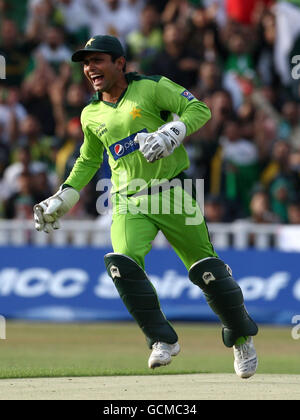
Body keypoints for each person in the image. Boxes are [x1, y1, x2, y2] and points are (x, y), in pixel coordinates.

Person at [33, 35, 258, 378]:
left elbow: (199, 109)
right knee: (122, 264)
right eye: (85, 63)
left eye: (98, 60)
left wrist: (172, 132)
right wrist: (65, 194)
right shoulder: (91, 113)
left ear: (120, 63)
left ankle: (241, 337)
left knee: (206, 270)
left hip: (173, 192)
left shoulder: (151, 87)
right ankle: (161, 339)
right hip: (125, 199)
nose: (90, 68)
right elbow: (89, 159)